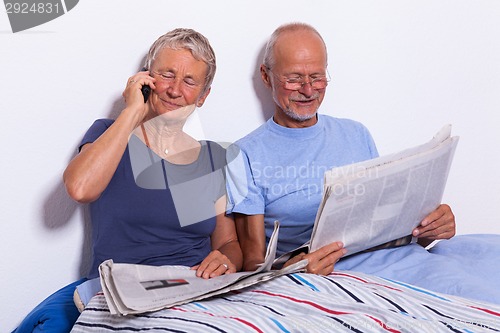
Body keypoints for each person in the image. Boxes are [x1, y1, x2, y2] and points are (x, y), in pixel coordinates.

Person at [13, 28, 242, 333]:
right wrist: (133, 111)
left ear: (203, 95)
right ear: (146, 78)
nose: (175, 90)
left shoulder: (210, 159)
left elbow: (228, 242)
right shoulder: (109, 133)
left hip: (194, 289)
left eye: (190, 82)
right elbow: (80, 188)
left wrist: (226, 260)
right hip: (126, 291)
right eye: (167, 75)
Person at [225, 22, 456, 275]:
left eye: (317, 77)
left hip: (396, 261)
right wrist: (291, 269)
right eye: (293, 79)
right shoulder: (244, 155)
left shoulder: (357, 134)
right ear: (266, 76)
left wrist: (428, 230)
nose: (308, 90)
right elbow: (253, 263)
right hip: (331, 277)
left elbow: (385, 227)